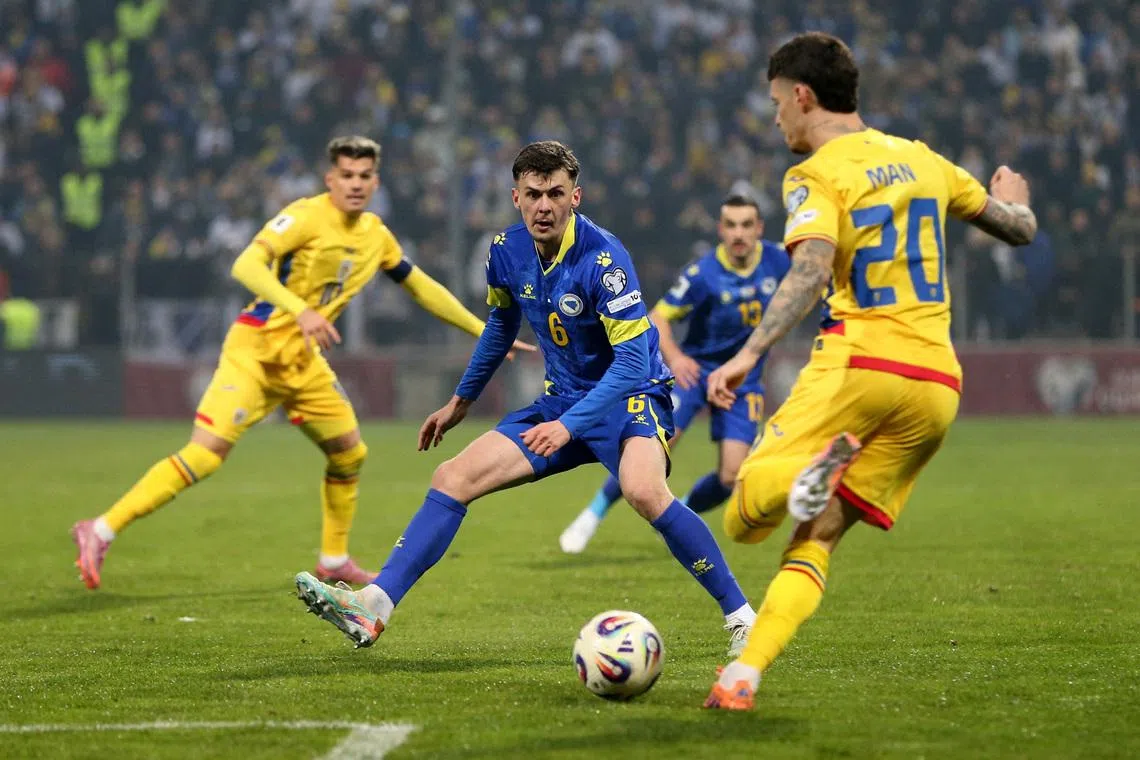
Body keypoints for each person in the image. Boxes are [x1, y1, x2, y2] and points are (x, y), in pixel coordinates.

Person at [293, 141, 757, 656]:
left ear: (575, 197)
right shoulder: (505, 250)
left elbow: (631, 364)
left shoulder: (606, 259)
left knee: (644, 490)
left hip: (629, 397)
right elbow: (501, 325)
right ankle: (374, 604)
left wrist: (568, 426)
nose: (544, 206)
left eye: (555, 193)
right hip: (562, 401)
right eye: (533, 194)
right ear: (516, 197)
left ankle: (742, 617)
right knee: (452, 476)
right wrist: (461, 401)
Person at [702, 33, 1037, 710]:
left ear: (803, 96)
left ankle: (810, 470)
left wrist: (747, 353)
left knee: (743, 515)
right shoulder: (924, 160)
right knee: (815, 536)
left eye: (776, 103)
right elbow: (1018, 228)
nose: (776, 117)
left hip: (861, 362)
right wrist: (1017, 197)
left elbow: (810, 268)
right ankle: (742, 677)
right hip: (936, 385)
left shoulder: (816, 173)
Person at [70, 136, 532, 590]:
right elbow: (246, 265)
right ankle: (101, 529)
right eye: (346, 175)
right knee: (205, 454)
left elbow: (420, 286)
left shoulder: (376, 235)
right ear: (330, 179)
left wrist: (481, 329)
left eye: (365, 175)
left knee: (348, 452)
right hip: (256, 350)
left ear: (376, 182)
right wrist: (300, 310)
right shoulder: (305, 216)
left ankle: (333, 560)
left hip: (302, 361)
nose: (356, 183)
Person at [559, 194, 790, 553]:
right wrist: (677, 358)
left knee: (731, 477)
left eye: (746, 225)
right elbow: (659, 317)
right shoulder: (702, 274)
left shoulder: (779, 260)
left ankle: (680, 512)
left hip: (742, 382)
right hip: (694, 375)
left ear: (759, 228)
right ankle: (593, 513)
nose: (738, 233)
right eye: (731, 225)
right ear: (720, 229)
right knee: (651, 446)